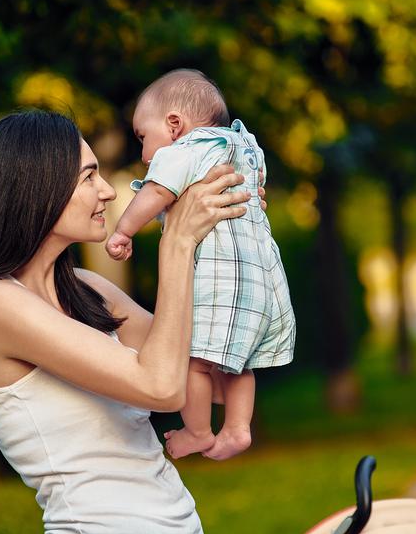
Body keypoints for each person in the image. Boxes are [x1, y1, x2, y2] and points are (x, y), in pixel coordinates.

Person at [0, 110, 253, 534]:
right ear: (35, 187)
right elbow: (162, 389)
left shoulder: (88, 291)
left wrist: (234, 240)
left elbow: (212, 378)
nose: (107, 192)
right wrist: (177, 243)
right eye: (88, 177)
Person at [105, 69, 296, 460]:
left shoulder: (186, 150)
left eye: (144, 137)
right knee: (238, 363)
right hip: (264, 281)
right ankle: (239, 429)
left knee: (193, 361)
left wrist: (123, 229)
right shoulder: (243, 148)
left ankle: (197, 431)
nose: (144, 155)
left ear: (174, 125)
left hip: (222, 279)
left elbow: (157, 190)